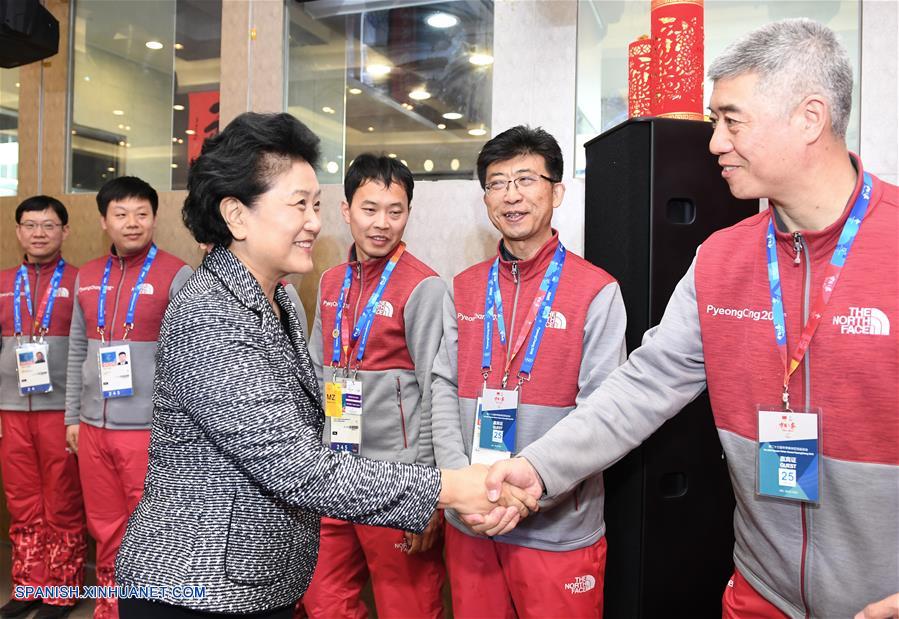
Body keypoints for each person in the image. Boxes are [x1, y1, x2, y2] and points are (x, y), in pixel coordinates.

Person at [483, 18, 899, 619]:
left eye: (732, 120)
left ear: (810, 118)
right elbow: (643, 385)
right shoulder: (721, 258)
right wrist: (537, 470)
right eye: (714, 122)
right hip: (760, 594)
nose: (714, 143)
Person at [114, 112, 536, 619]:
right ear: (236, 215)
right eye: (300, 205)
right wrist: (452, 487)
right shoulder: (209, 313)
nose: (315, 222)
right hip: (199, 587)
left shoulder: (281, 301)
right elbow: (297, 468)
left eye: (316, 205)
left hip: (258, 580)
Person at [430, 126, 627, 617]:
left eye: (525, 179)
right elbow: (442, 385)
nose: (511, 195)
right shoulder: (464, 287)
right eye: (497, 183)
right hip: (471, 522)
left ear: (556, 192)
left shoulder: (596, 291)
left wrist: (526, 494)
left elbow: (603, 413)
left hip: (557, 529)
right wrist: (462, 488)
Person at [303, 155, 447, 618]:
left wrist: (426, 493)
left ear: (408, 213)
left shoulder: (423, 286)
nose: (382, 223)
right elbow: (315, 373)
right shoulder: (331, 281)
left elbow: (436, 394)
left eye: (395, 211)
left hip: (395, 480)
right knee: (324, 601)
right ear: (346, 210)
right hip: (332, 471)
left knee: (407, 605)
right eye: (369, 209)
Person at [64, 177, 193, 619]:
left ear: (155, 219)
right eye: (121, 214)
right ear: (104, 221)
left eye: (142, 213)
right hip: (93, 428)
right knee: (104, 528)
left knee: (151, 531)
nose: (132, 223)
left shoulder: (177, 274)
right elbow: (77, 350)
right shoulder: (86, 276)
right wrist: (72, 417)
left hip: (148, 431)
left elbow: (188, 360)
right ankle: (110, 609)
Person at [0, 197, 86, 619]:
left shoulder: (82, 281)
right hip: (10, 410)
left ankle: (61, 589)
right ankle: (28, 584)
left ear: (64, 231)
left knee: (62, 499)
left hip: (60, 411)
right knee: (21, 500)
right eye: (30, 225)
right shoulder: (2, 282)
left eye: (49, 225)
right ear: (18, 231)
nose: (39, 233)